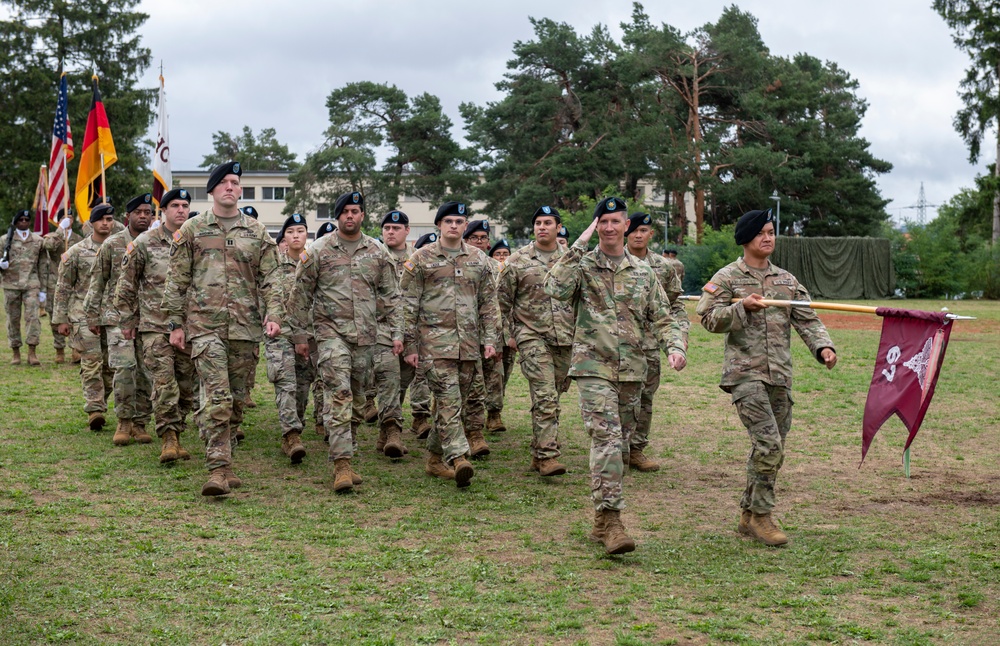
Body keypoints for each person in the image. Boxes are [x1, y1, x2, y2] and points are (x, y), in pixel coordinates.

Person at [544, 196, 686, 555]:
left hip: (632, 370)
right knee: (606, 440)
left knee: (619, 446)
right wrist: (578, 243)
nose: (608, 227)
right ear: (597, 227)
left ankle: (599, 517)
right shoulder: (584, 265)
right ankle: (612, 521)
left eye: (615, 221)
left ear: (626, 226)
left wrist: (675, 346)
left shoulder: (643, 272)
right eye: (602, 221)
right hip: (592, 366)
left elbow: (663, 316)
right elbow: (553, 288)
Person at [696, 208, 836, 547]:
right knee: (769, 445)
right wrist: (742, 306)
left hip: (780, 376)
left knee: (771, 447)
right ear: (746, 238)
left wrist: (823, 347)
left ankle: (748, 513)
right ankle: (762, 516)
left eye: (772, 232)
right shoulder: (728, 277)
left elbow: (807, 319)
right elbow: (707, 318)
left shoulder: (786, 281)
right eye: (761, 233)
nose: (768, 238)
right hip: (745, 375)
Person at [162, 161, 285, 497]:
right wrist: (175, 323)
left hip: (245, 329)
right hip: (205, 327)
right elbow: (176, 279)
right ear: (213, 189)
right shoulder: (193, 230)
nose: (231, 187)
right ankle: (218, 468)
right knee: (217, 396)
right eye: (224, 183)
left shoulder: (257, 232)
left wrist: (273, 313)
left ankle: (225, 452)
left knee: (238, 400)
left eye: (235, 182)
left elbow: (272, 277)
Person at [290, 191, 402, 492]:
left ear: (362, 215)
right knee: (338, 394)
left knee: (357, 399)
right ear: (336, 217)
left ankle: (347, 454)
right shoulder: (319, 251)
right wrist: (300, 336)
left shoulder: (377, 251)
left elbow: (391, 296)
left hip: (365, 338)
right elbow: (300, 296)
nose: (349, 216)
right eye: (344, 212)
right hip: (330, 336)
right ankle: (342, 464)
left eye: (355, 211)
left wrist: (397, 333)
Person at [401, 201, 499, 487]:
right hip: (434, 345)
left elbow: (488, 304)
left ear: (465, 226)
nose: (454, 226)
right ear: (439, 226)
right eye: (448, 221)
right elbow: (407, 304)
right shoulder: (421, 259)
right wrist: (410, 345)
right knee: (448, 399)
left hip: (468, 345)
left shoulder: (479, 260)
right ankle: (458, 457)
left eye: (459, 221)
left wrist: (490, 340)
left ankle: (433, 460)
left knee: (452, 405)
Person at [115, 188, 196, 463]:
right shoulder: (144, 243)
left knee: (186, 387)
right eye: (175, 205)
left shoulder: (197, 241)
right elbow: (125, 284)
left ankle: (178, 430)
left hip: (189, 328)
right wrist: (127, 320)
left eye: (185, 205)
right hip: (155, 327)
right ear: (163, 211)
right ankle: (169, 439)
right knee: (164, 384)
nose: (181, 210)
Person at [497, 206, 574, 477]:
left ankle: (538, 447)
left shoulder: (571, 259)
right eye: (538, 223)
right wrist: (509, 334)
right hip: (531, 335)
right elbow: (501, 302)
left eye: (548, 223)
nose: (542, 227)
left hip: (565, 338)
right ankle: (547, 456)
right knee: (544, 395)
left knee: (553, 393)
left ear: (558, 227)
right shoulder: (517, 261)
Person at [83, 193, 154, 446]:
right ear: (128, 217)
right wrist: (92, 314)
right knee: (124, 369)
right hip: (117, 317)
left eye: (148, 212)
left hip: (149, 319)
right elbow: (97, 282)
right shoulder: (112, 244)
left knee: (146, 372)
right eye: (139, 212)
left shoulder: (156, 242)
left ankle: (140, 422)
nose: (144, 216)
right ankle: (124, 421)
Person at [625, 213, 690, 472]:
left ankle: (636, 449)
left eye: (644, 230)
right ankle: (615, 449)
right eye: (634, 230)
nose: (638, 235)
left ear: (651, 234)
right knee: (618, 399)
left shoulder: (664, 267)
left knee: (645, 398)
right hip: (617, 343)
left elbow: (675, 304)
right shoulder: (613, 261)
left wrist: (680, 335)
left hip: (650, 344)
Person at [54, 204, 115, 430]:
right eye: (101, 220)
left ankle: (100, 400)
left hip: (113, 315)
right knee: (91, 363)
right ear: (91, 223)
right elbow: (63, 287)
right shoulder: (76, 252)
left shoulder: (120, 248)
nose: (106, 223)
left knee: (111, 366)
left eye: (109, 219)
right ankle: (95, 409)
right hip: (82, 314)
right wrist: (61, 318)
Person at [264, 213, 311, 465]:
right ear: (284, 237)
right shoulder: (274, 264)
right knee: (286, 381)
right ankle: (291, 435)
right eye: (291, 231)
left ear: (306, 235)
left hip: (308, 332)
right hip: (279, 332)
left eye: (301, 231)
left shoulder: (314, 261)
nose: (296, 235)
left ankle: (297, 426)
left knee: (303, 385)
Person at [370, 209, 414, 458]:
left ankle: (383, 434)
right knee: (389, 378)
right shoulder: (373, 256)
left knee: (402, 382)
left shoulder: (418, 258)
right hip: (381, 328)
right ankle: (393, 431)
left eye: (396, 228)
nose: (390, 231)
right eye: (387, 228)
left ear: (407, 231)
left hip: (410, 330)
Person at [464, 219, 506, 437]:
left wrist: (500, 335)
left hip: (491, 329)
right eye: (474, 237)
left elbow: (501, 302)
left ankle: (494, 414)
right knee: (469, 378)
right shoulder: (461, 264)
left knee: (494, 375)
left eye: (483, 238)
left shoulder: (497, 267)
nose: (479, 242)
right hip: (466, 332)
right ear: (466, 239)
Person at [1, 209, 47, 365]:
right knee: (13, 320)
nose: (23, 222)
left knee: (33, 318)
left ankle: (32, 352)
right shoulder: (4, 240)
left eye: (26, 220)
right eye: (20, 220)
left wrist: (43, 290)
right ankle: (16, 352)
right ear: (15, 222)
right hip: (10, 285)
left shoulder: (37, 240)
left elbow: (42, 265)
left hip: (31, 284)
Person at [41, 212, 83, 363]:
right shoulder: (52, 236)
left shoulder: (78, 239)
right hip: (55, 282)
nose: (68, 219)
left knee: (75, 316)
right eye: (64, 217)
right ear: (59, 220)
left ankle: (75, 349)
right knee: (56, 317)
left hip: (74, 284)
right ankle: (59, 349)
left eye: (70, 217)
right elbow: (49, 247)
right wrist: (60, 229)